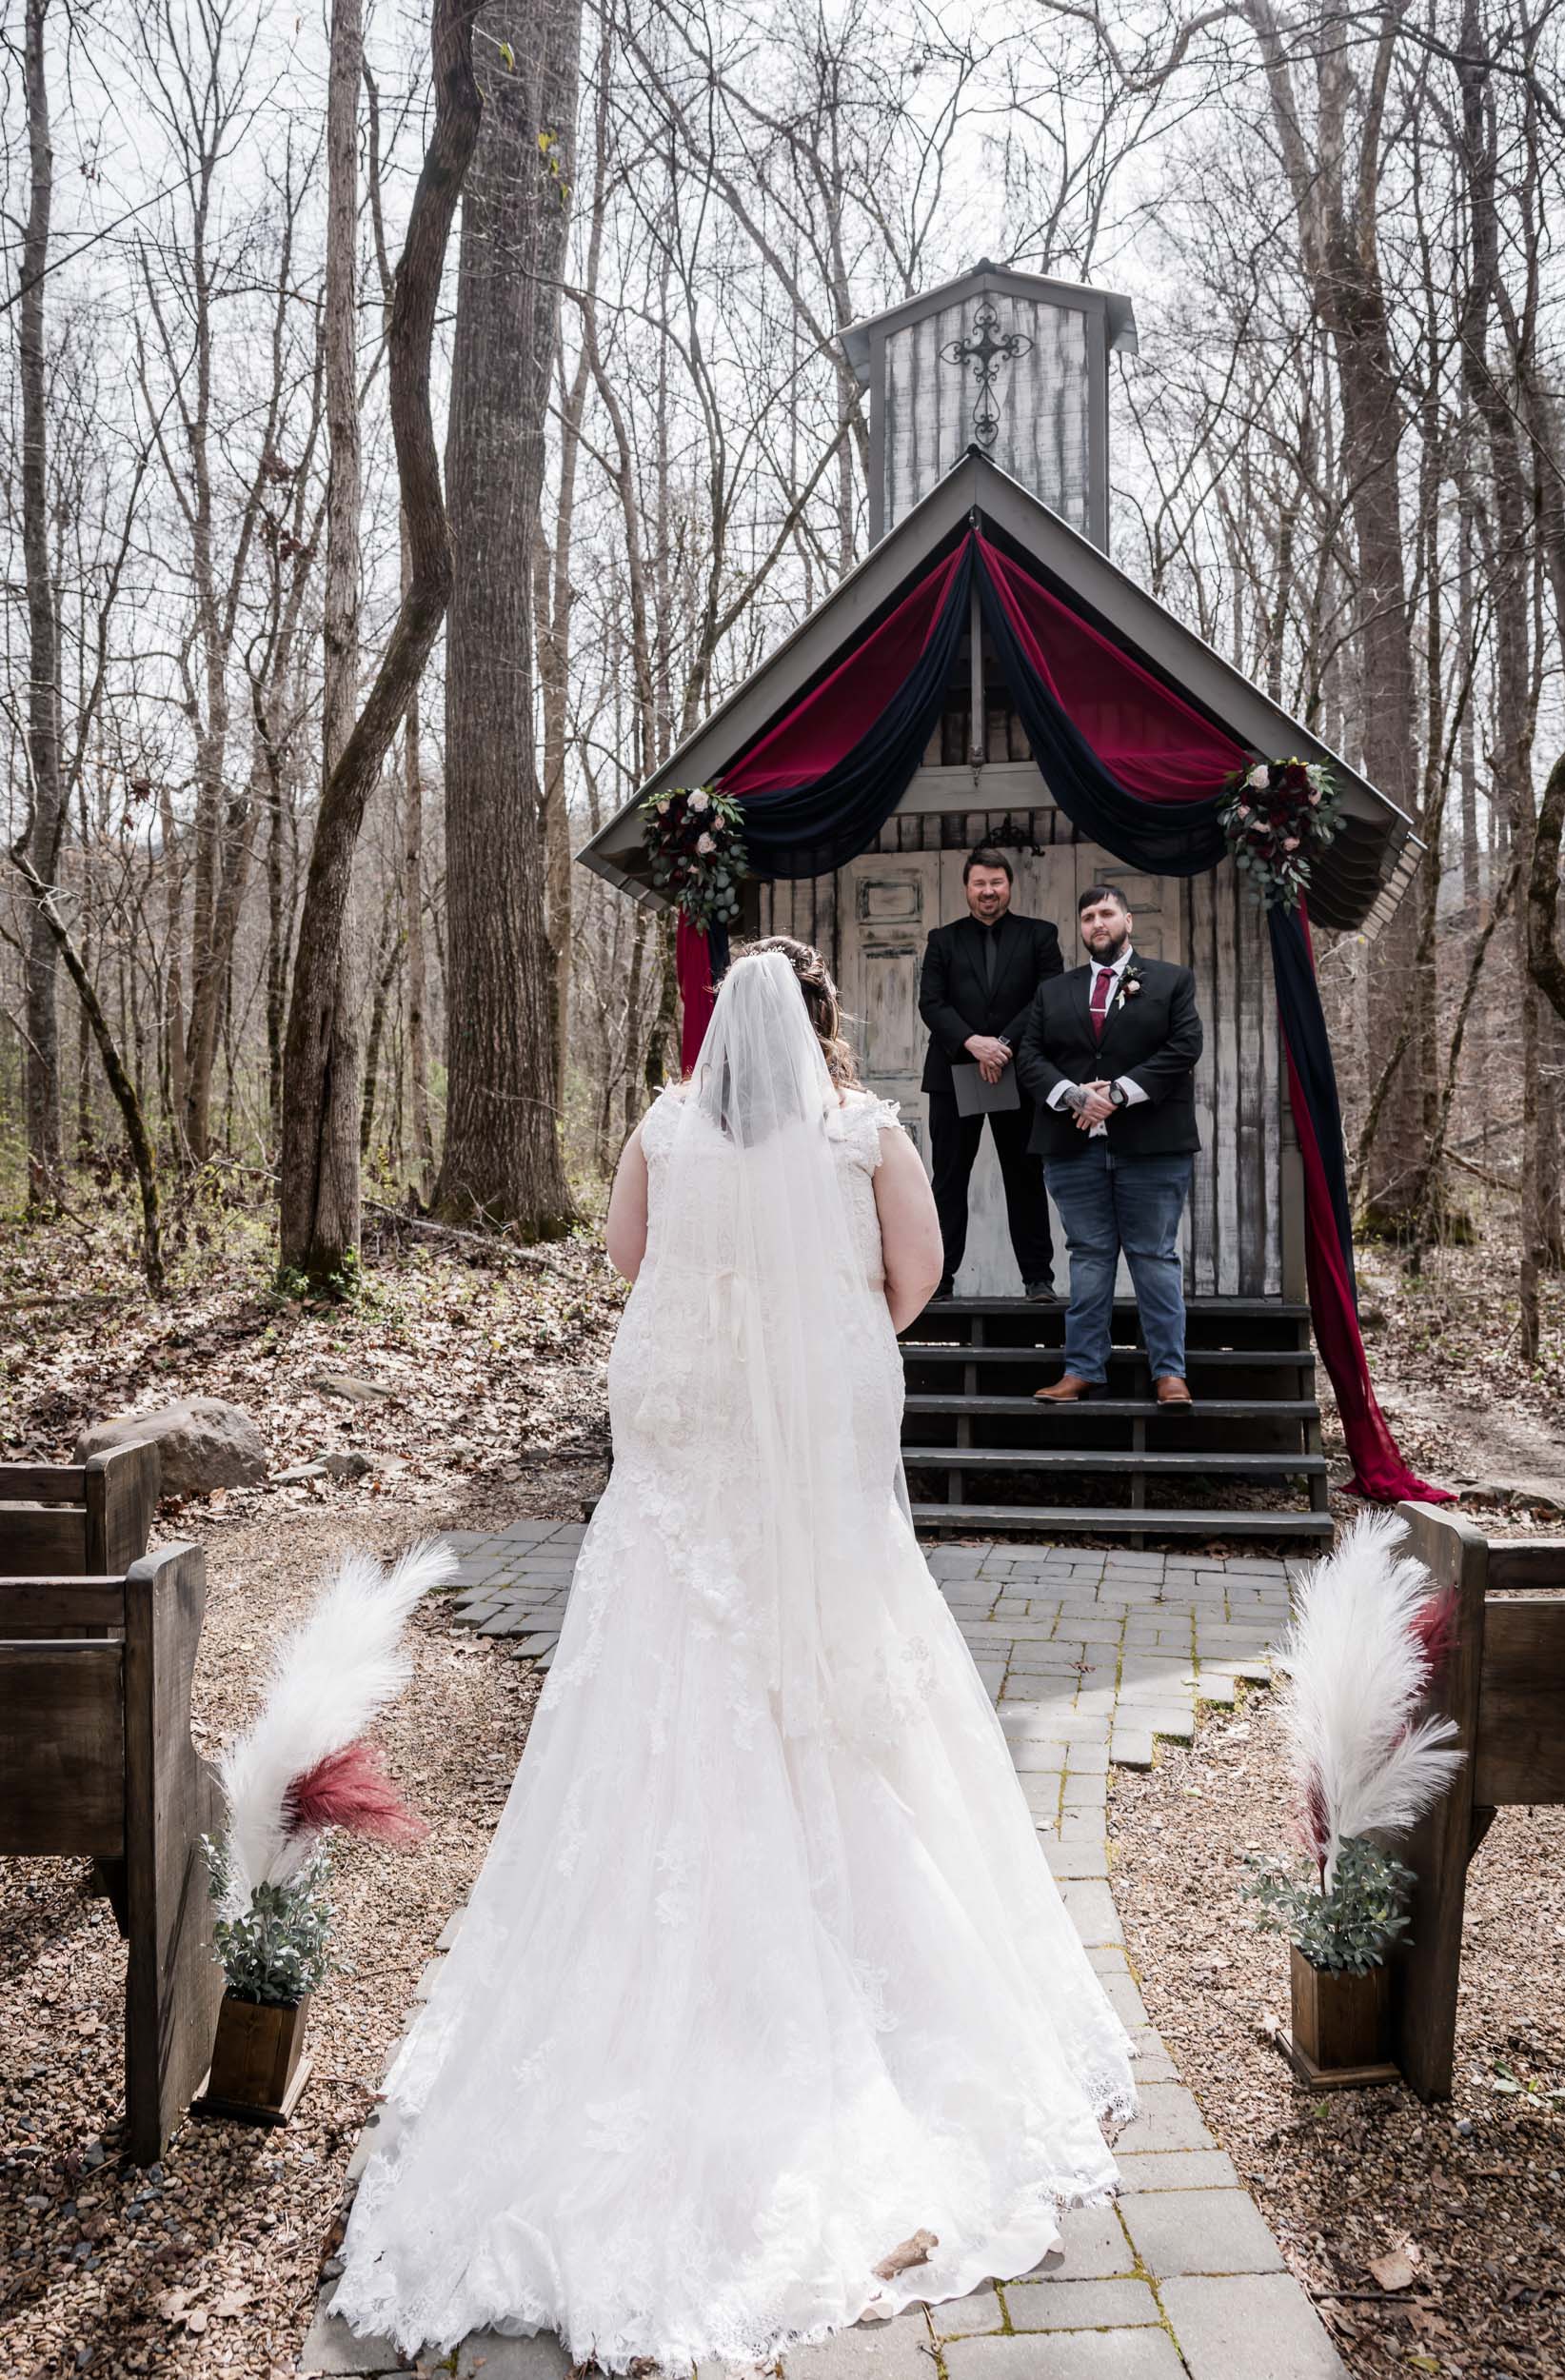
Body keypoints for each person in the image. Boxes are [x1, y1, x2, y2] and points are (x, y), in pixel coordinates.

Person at [330, 939, 1137, 2373]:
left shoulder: (660, 1126)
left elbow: (632, 1259)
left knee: (660, 1664)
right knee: (826, 1669)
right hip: (801, 1454)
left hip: (678, 1443)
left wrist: (740, 1330)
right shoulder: (864, 1129)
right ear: (824, 1025)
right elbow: (919, 1273)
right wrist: (816, 1344)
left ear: (715, 1039)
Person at [1016, 885, 1202, 1407]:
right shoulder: (1054, 991)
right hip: (1073, 1149)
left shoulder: (1170, 981)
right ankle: (1082, 1369)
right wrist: (1072, 1094)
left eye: (1106, 913)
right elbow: (1030, 1056)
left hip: (1153, 1146)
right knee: (1089, 1258)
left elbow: (1184, 1046)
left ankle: (1169, 1373)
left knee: (1154, 1257)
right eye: (1088, 916)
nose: (1097, 923)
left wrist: (1119, 1093)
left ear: (1127, 921)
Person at [918, 848, 1064, 1299]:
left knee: (1024, 1175)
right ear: (966, 888)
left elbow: (1048, 995)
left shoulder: (1040, 935)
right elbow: (931, 1003)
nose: (988, 891)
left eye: (996, 883)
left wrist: (1002, 1045)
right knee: (948, 1178)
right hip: (954, 1073)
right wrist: (972, 1042)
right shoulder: (942, 939)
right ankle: (940, 1279)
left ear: (1009, 886)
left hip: (1016, 1072)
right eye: (979, 883)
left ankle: (1038, 1278)